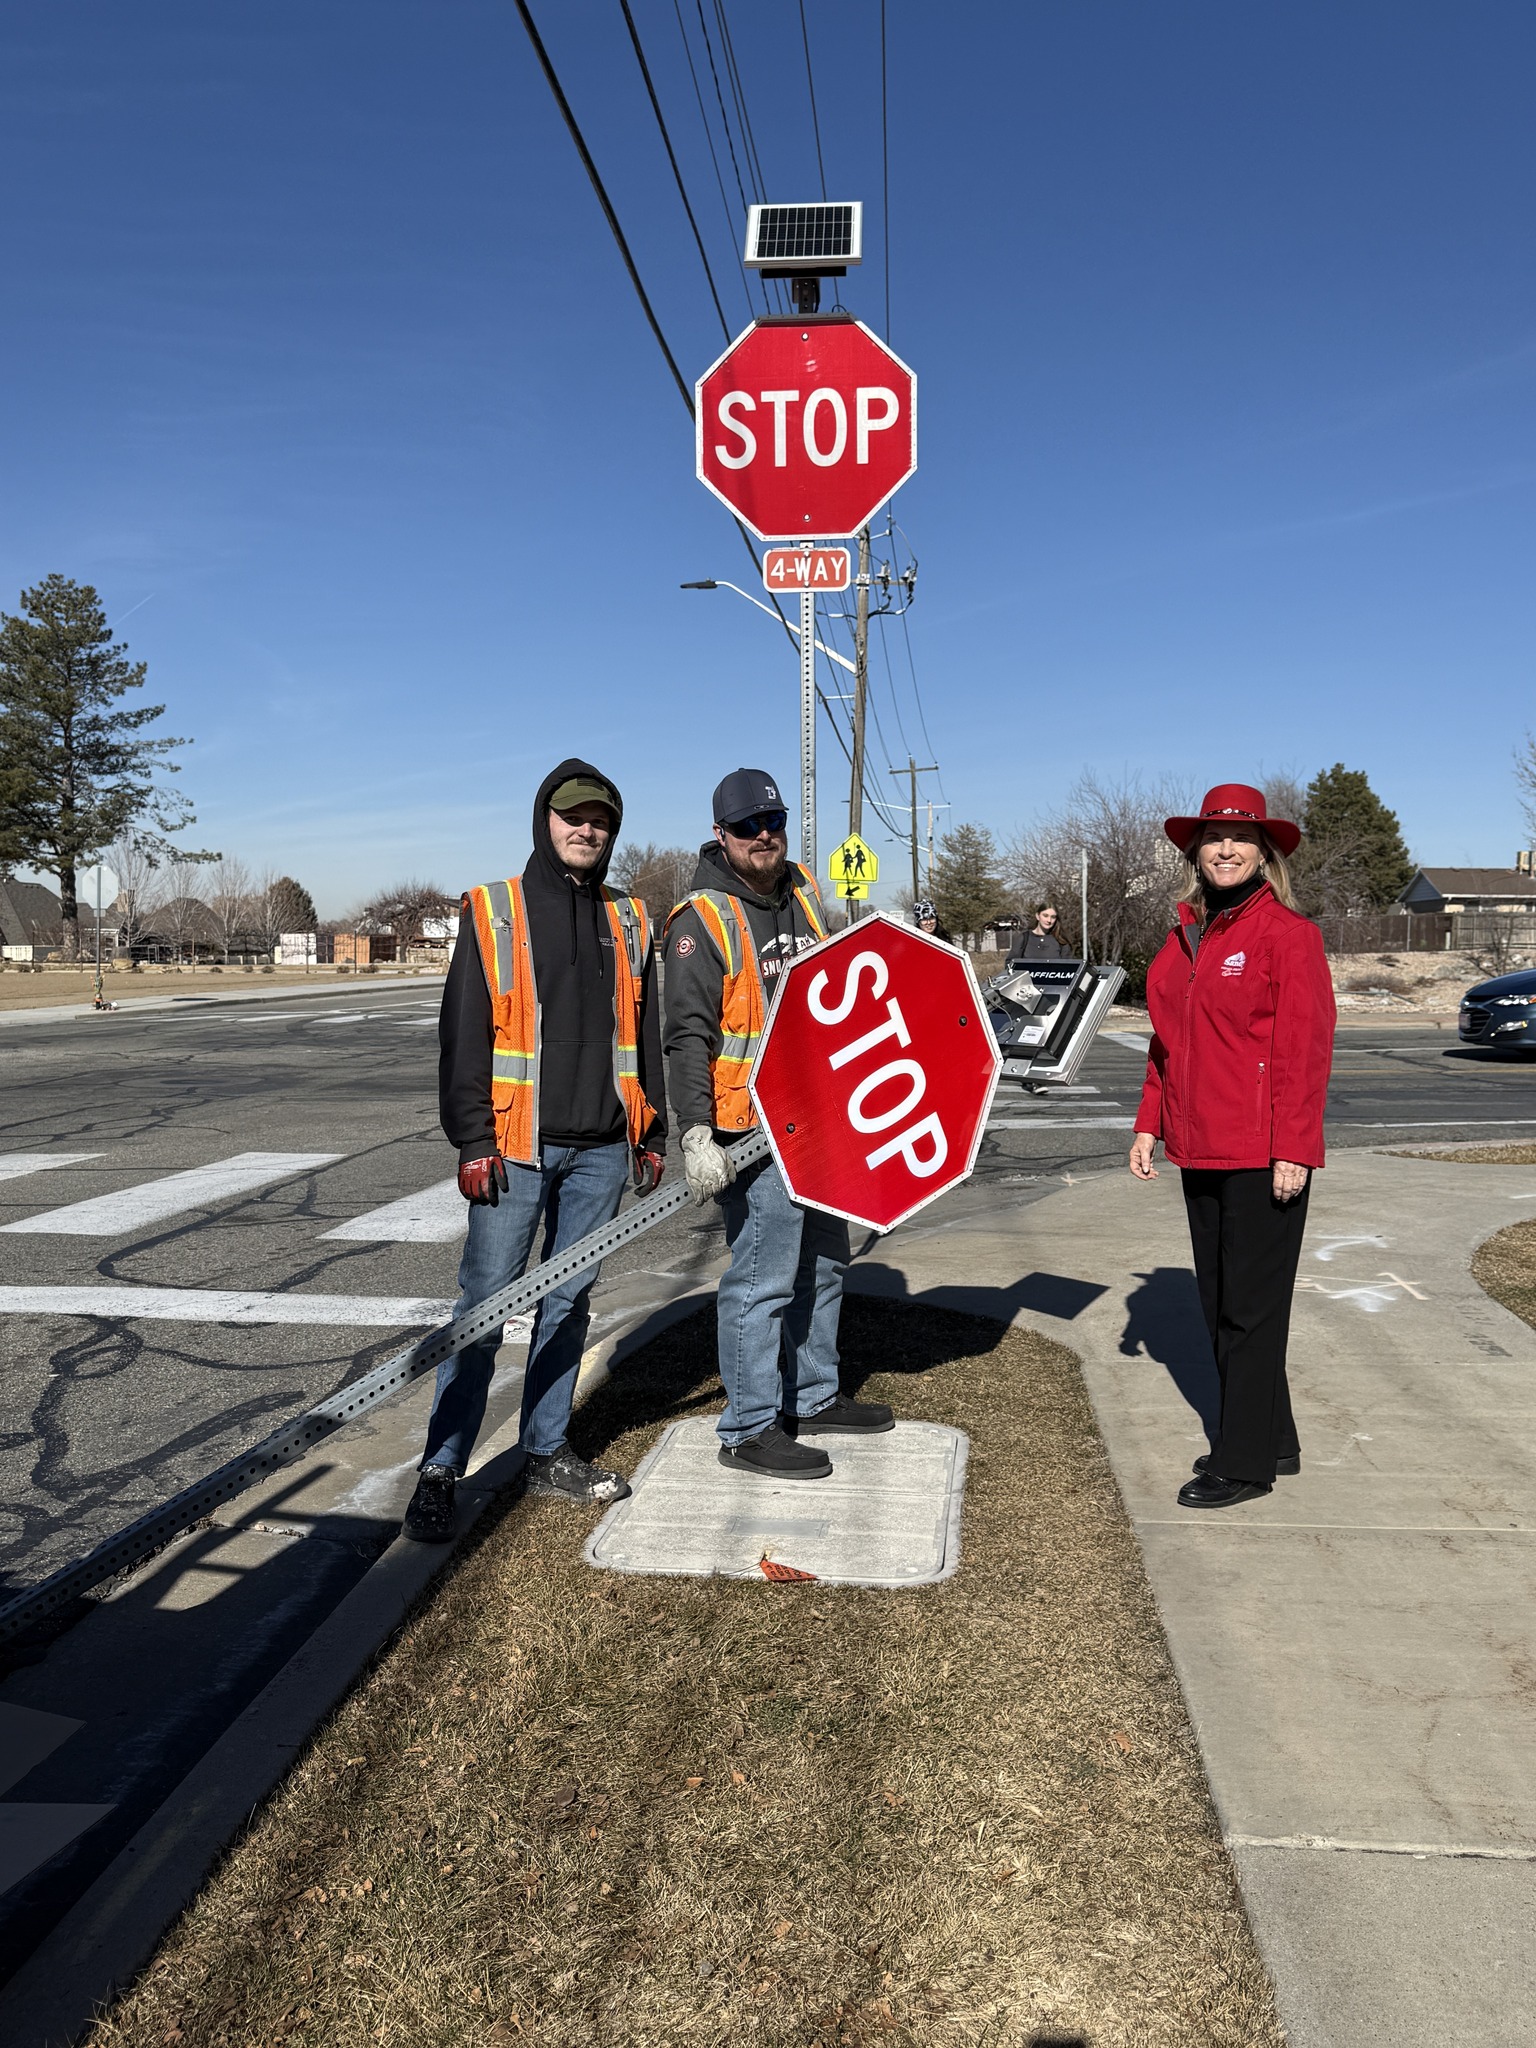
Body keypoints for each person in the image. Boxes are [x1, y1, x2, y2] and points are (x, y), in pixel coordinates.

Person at [402, 759, 667, 1541]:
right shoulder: (496, 910)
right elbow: (464, 1037)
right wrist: (473, 1140)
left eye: (602, 821)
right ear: (544, 820)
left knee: (569, 1304)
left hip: (602, 1152)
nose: (587, 830)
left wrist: (647, 1129)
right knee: (482, 1311)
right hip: (515, 1151)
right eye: (573, 816)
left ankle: (546, 1449)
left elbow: (643, 1032)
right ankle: (442, 1466)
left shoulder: (630, 917)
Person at [663, 767, 895, 1478]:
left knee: (824, 1262)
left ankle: (815, 1393)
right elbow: (688, 1035)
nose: (764, 837)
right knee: (762, 1280)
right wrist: (696, 1131)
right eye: (746, 828)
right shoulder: (700, 921)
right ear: (720, 835)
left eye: (773, 823)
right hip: (749, 1132)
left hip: (815, 1123)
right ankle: (749, 1427)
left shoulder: (804, 897)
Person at [1128, 784, 1335, 1509]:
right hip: (1200, 1146)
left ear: (1264, 853)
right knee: (1222, 1306)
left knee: (1251, 1312)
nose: (1225, 848)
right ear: (1196, 850)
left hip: (1260, 1150)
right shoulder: (1184, 935)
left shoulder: (1287, 936)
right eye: (1214, 836)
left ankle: (1244, 1463)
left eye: (1240, 838)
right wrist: (1149, 1122)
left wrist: (1294, 1147)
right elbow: (1166, 1046)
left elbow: (1304, 1052)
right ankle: (1272, 1435)